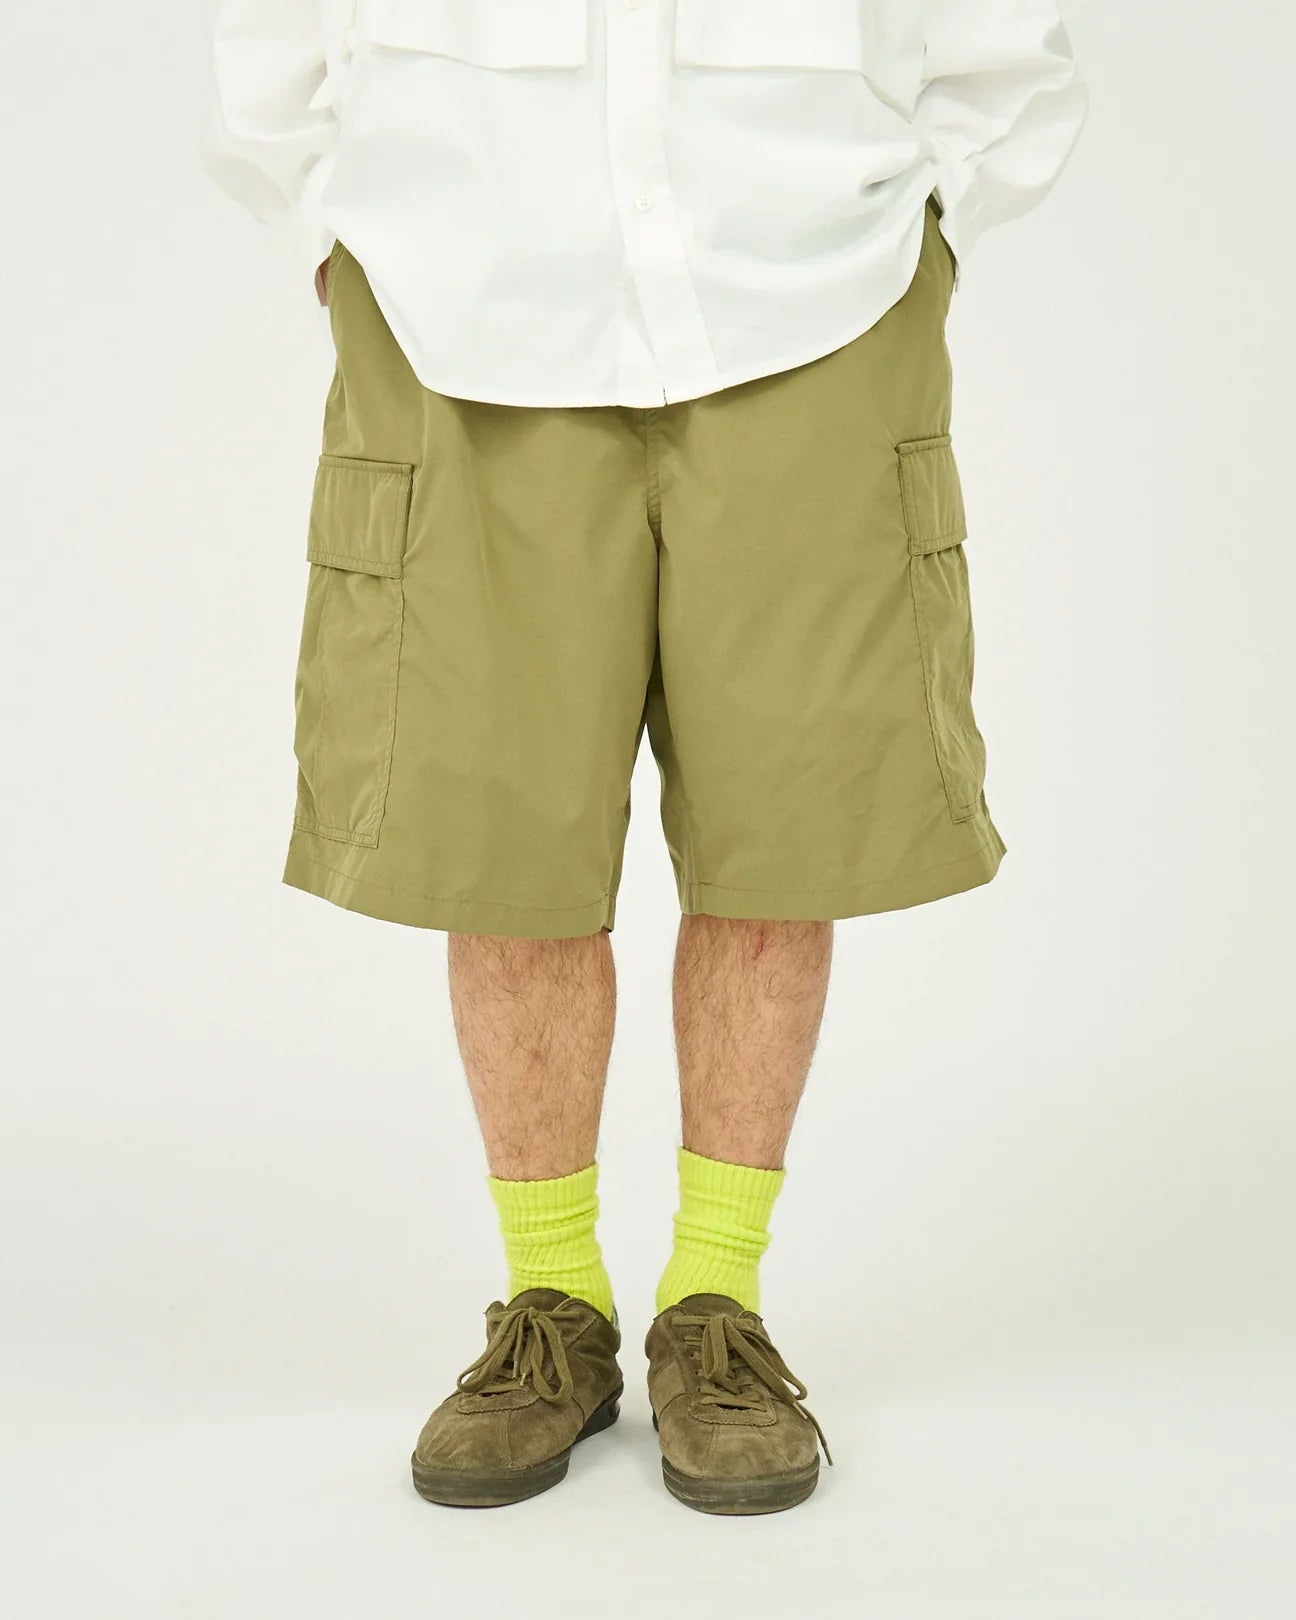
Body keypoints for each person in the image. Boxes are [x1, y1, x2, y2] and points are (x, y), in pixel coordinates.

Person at [199, 0, 1088, 1516]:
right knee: (497, 835)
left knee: (787, 826)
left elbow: (1001, 36)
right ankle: (551, 1307)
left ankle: (715, 1308)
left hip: (815, 289)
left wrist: (934, 222)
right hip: (456, 295)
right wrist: (327, 223)